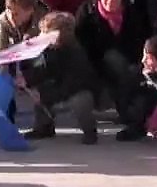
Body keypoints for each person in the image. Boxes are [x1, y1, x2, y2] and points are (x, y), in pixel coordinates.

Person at [20, 11, 99, 144]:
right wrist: (27, 79)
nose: (40, 36)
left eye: (44, 33)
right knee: (40, 88)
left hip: (76, 91)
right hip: (58, 88)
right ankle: (44, 127)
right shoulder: (48, 51)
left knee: (81, 100)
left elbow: (72, 85)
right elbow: (42, 71)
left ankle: (90, 130)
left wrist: (46, 95)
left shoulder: (75, 54)